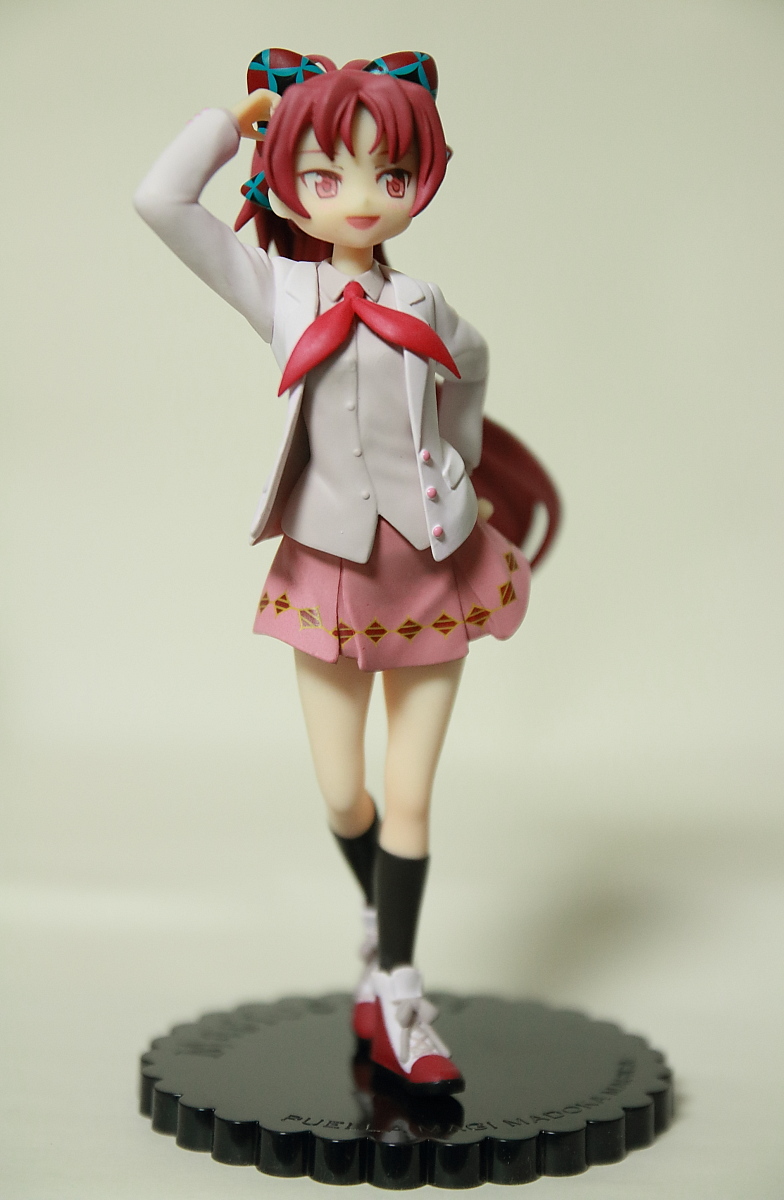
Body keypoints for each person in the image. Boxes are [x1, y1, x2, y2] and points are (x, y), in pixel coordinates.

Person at [135, 49, 552, 1094]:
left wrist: (462, 473)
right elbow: (161, 202)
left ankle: (400, 991)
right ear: (288, 182)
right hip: (328, 573)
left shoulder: (427, 302)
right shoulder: (279, 288)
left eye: (390, 176)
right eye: (327, 175)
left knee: (410, 797)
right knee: (344, 795)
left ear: (420, 181)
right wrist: (233, 121)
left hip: (437, 572)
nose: (363, 198)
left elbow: (471, 374)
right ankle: (377, 926)